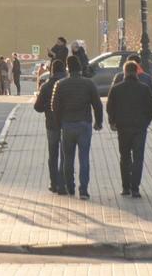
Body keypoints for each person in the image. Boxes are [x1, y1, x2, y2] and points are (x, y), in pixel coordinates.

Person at [50, 57, 104, 198]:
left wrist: (58, 123)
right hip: (84, 124)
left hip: (67, 124)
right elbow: (97, 105)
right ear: (80, 68)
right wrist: (98, 122)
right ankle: (84, 190)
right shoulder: (89, 84)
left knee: (68, 158)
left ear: (68, 68)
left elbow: (54, 107)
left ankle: (70, 186)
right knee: (84, 158)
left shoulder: (60, 84)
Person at [106, 58, 152, 197]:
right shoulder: (144, 88)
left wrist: (113, 121)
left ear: (124, 72)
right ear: (136, 72)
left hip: (123, 127)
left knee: (125, 157)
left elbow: (110, 107)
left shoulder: (116, 89)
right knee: (138, 157)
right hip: (139, 127)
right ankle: (135, 188)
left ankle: (125, 187)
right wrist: (146, 121)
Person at [33, 57, 69, 194]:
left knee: (53, 155)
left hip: (51, 124)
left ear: (51, 71)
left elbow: (37, 107)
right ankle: (63, 183)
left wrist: (47, 109)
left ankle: (54, 183)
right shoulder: (67, 84)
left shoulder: (46, 86)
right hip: (66, 123)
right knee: (65, 155)